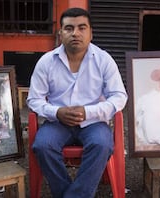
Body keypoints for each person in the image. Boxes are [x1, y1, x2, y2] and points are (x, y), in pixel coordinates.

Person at [27, 7, 127, 198]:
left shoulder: (104, 60)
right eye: (69, 28)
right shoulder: (46, 62)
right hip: (58, 123)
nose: (75, 33)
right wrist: (57, 112)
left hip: (93, 122)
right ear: (60, 33)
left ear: (91, 33)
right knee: (42, 145)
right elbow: (34, 99)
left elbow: (119, 96)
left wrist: (89, 112)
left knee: (102, 144)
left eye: (82, 28)